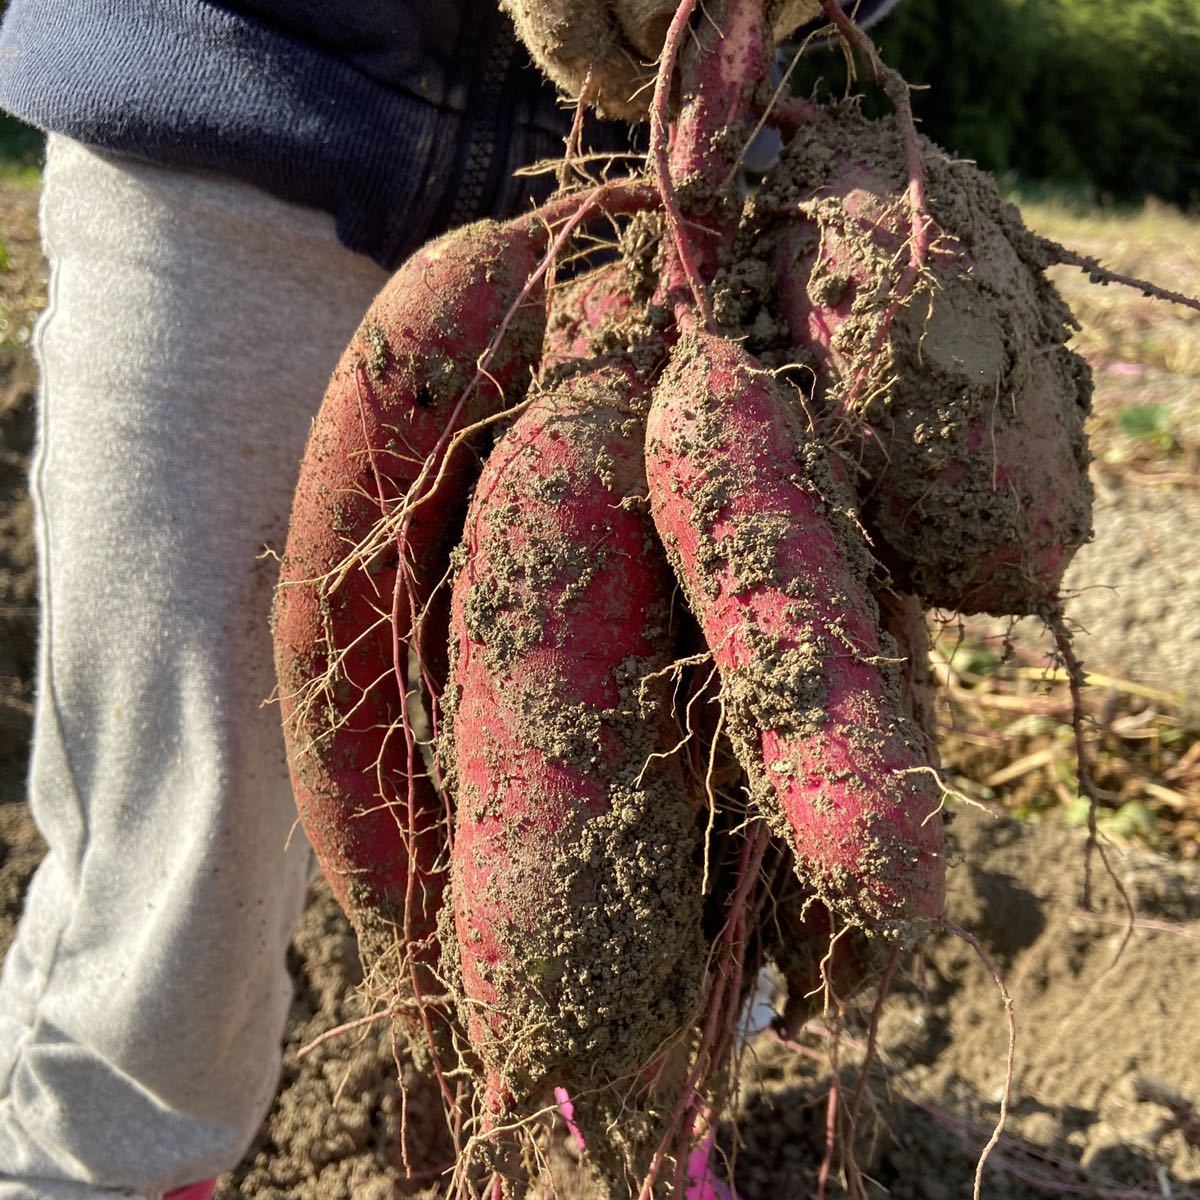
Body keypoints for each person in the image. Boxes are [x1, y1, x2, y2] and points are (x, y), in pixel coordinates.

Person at [0, 3, 899, 1198]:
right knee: (185, 812)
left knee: (658, 763)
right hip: (228, 131)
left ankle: (634, 1128)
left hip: (649, 204)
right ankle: (105, 1162)